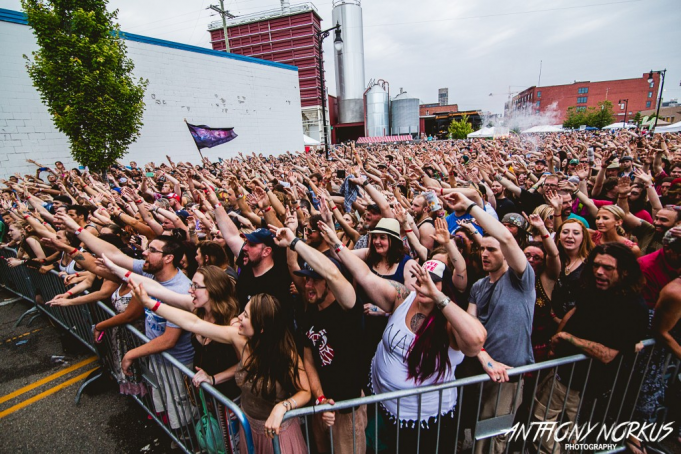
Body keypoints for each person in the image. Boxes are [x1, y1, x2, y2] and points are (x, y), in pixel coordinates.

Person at [318, 218, 486, 452]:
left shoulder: (449, 324)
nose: (424, 285)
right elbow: (365, 276)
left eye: (434, 282)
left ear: (444, 288)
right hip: (383, 404)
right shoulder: (403, 296)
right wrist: (337, 243)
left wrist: (438, 299)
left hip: (423, 421)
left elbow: (476, 340)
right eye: (420, 279)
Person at [130, 281, 310, 454]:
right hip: (249, 427)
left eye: (245, 316)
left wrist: (283, 407)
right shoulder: (240, 339)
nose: (238, 318)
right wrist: (150, 303)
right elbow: (194, 323)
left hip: (278, 433)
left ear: (262, 328)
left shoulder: (286, 354)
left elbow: (305, 392)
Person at [533, 243, 648, 454]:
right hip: (565, 374)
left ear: (624, 271)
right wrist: (556, 340)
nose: (599, 272)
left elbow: (607, 354)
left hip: (591, 384)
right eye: (596, 266)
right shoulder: (593, 288)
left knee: (568, 429)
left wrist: (567, 338)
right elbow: (576, 311)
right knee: (545, 420)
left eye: (607, 268)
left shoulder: (632, 308)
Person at [447, 192, 535, 454]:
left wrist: (471, 207)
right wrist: (483, 356)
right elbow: (469, 326)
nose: (484, 254)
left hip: (506, 374)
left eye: (492, 250)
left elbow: (507, 237)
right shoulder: (478, 286)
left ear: (507, 254)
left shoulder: (521, 279)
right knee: (472, 431)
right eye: (482, 248)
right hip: (478, 368)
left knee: (491, 439)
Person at [271, 224, 367, 454]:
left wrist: (295, 241)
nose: (308, 285)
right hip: (323, 406)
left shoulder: (348, 307)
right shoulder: (310, 309)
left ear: (329, 283)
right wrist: (320, 397)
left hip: (347, 408)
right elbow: (309, 358)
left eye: (314, 279)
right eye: (307, 279)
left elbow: (333, 272)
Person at [551, 219, 595, 321]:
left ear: (583, 237)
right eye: (565, 232)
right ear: (558, 237)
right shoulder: (553, 260)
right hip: (552, 319)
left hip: (580, 321)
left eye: (576, 233)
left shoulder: (590, 263)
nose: (570, 236)